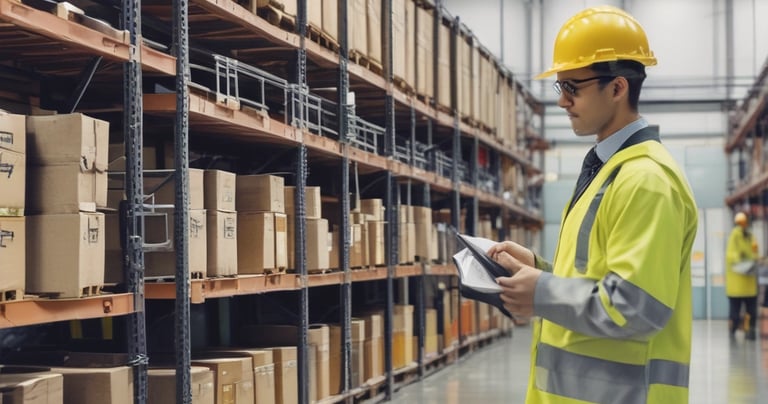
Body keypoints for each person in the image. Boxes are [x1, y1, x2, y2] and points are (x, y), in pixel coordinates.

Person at [486, 6, 699, 404]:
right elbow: (599, 277)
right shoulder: (608, 170)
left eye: (574, 88)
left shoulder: (646, 180)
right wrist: (540, 270)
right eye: (560, 88)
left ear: (617, 88)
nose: (563, 102)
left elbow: (636, 308)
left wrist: (542, 292)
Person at [725, 211, 758, 340]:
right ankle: (735, 330)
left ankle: (748, 331)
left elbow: (755, 252)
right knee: (736, 312)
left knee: (750, 312)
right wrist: (743, 257)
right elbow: (731, 256)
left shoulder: (751, 236)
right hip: (737, 285)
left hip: (748, 284)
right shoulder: (736, 235)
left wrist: (753, 259)